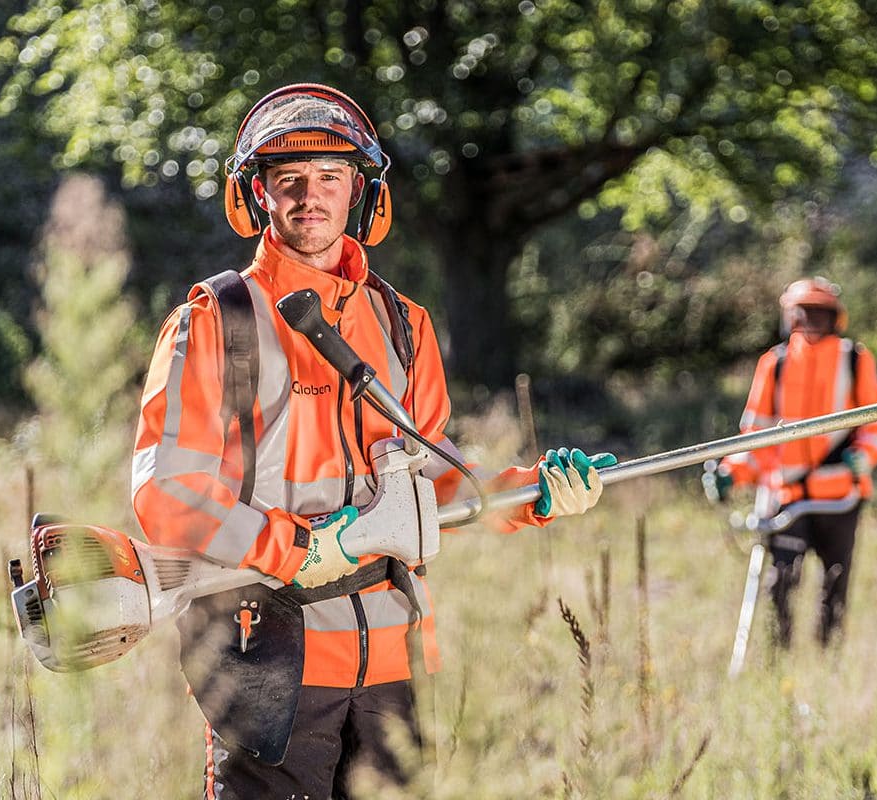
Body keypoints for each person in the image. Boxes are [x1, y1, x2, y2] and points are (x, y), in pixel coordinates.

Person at [131, 83, 608, 798]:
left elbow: (433, 481)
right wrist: (300, 549)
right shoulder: (214, 324)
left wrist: (531, 493)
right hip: (265, 657)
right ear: (257, 193)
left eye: (330, 178)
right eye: (288, 180)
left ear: (360, 189)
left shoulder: (404, 324)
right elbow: (166, 496)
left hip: (398, 661)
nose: (309, 197)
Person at [703, 277, 877, 647]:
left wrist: (864, 456)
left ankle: (829, 663)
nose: (811, 322)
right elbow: (756, 437)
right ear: (789, 317)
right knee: (780, 584)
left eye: (820, 314)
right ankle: (778, 662)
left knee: (835, 586)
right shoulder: (773, 364)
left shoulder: (855, 359)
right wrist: (732, 473)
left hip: (841, 497)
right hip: (787, 498)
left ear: (836, 317)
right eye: (803, 313)